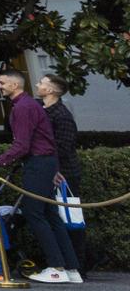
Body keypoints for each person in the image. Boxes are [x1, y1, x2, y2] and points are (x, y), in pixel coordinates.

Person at [0, 67, 80, 284]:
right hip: (45, 163)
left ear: (14, 85)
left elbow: (22, 145)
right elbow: (46, 140)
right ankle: (71, 268)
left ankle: (56, 267)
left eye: (2, 83)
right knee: (50, 214)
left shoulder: (23, 108)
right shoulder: (30, 105)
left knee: (34, 213)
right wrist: (53, 168)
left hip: (38, 163)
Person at [37, 74, 86, 270]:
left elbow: (64, 147)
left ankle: (78, 264)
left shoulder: (62, 115)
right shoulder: (42, 111)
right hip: (49, 171)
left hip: (65, 174)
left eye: (41, 83)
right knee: (53, 217)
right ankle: (63, 261)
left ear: (50, 90)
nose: (37, 85)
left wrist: (55, 169)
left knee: (71, 219)